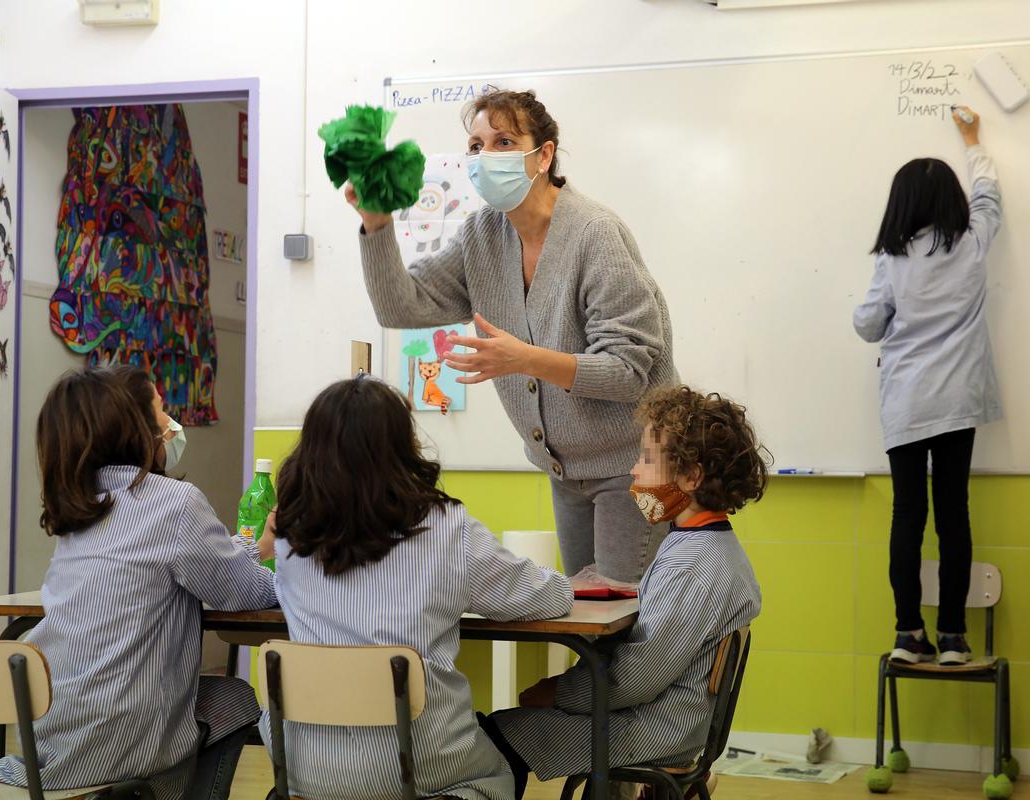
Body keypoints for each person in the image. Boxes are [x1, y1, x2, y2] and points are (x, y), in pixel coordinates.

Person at [350, 88, 677, 586]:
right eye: (477, 146)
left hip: (640, 465)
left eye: (504, 142)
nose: (486, 157)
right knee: (590, 616)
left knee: (625, 621)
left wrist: (525, 359)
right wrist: (376, 224)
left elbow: (627, 373)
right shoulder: (482, 235)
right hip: (567, 472)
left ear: (543, 155)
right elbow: (401, 306)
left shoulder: (595, 234)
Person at [264, 375, 573, 800]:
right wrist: (571, 582)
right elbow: (546, 598)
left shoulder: (290, 537)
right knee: (499, 758)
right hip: (419, 766)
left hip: (305, 768)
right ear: (402, 446)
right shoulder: (446, 528)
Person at [0, 365, 277, 800]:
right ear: (133, 425)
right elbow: (243, 591)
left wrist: (256, 548)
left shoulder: (79, 511)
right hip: (122, 751)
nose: (169, 422)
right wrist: (293, 563)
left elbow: (195, 559)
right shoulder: (175, 503)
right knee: (234, 697)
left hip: (50, 746)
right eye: (161, 410)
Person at [481, 385, 764, 800]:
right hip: (670, 719)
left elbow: (636, 678)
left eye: (647, 459)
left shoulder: (693, 566)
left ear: (691, 477)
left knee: (495, 738)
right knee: (506, 728)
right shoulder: (703, 544)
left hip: (655, 729)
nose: (634, 470)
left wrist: (559, 691)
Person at [853, 105, 1002, 666]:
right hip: (958, 401)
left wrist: (898, 320)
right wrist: (973, 140)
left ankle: (908, 634)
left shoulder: (892, 260)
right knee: (954, 514)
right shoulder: (973, 242)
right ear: (951, 204)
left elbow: (867, 325)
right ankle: (956, 639)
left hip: (907, 404)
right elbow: (989, 194)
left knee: (908, 516)